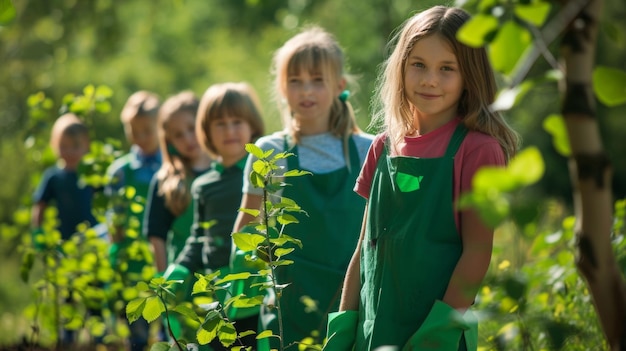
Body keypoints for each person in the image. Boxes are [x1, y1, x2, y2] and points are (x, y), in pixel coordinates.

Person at [323, 6, 520, 351]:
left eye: (447, 69)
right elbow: (362, 249)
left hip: (435, 333)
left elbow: (477, 251)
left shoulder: (479, 151)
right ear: (401, 68)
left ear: (470, 75)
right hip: (371, 330)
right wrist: (343, 326)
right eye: (419, 65)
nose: (430, 79)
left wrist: (436, 335)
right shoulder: (383, 146)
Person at [231, 26, 374, 350]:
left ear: (339, 86)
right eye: (295, 81)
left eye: (317, 80)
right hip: (286, 310)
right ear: (282, 88)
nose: (305, 91)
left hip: (353, 307)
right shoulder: (269, 152)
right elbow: (246, 232)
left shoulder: (369, 150)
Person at [164, 82, 265, 350]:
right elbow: (199, 236)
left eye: (237, 121)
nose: (229, 130)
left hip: (253, 285)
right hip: (215, 287)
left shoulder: (262, 174)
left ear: (252, 125)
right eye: (220, 123)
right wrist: (181, 268)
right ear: (206, 132)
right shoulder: (204, 185)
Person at [143, 90, 212, 341]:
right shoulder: (168, 181)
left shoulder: (225, 170)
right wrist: (166, 288)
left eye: (191, 128)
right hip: (183, 281)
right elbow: (157, 237)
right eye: (178, 135)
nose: (188, 139)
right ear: (169, 141)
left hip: (222, 279)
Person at [31, 113, 98, 347]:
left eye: (76, 146)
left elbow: (107, 204)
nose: (70, 152)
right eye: (64, 146)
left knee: (94, 290)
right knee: (67, 292)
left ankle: (98, 336)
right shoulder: (53, 177)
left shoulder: (92, 175)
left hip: (92, 244)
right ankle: (68, 337)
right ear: (55, 145)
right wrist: (38, 234)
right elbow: (39, 206)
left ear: (87, 145)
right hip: (64, 246)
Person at [105, 90, 161, 351]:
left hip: (162, 254)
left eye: (147, 130)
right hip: (132, 260)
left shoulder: (171, 165)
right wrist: (114, 254)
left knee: (167, 325)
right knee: (137, 329)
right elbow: (114, 220)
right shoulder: (120, 171)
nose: (140, 138)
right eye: (133, 131)